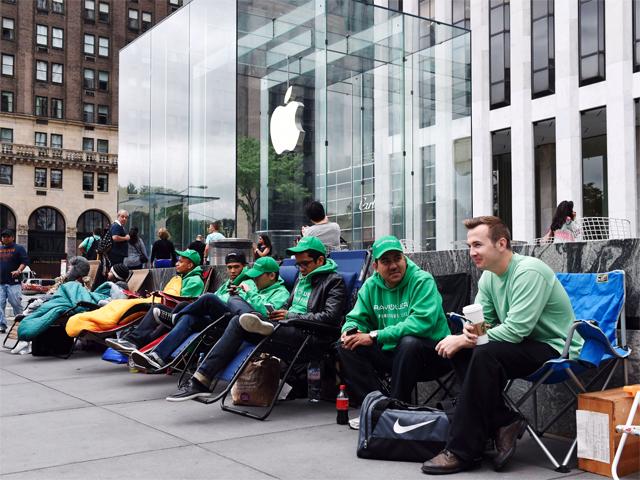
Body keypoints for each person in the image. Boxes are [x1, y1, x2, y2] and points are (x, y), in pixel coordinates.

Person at [421, 216, 584, 475]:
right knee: (466, 352)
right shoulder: (488, 278)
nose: (472, 252)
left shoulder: (529, 271)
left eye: (477, 245)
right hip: (521, 345)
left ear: (501, 243)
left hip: (554, 347)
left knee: (481, 352)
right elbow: (485, 327)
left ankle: (462, 450)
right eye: (469, 246)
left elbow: (517, 330)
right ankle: (504, 420)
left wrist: (465, 338)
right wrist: (469, 331)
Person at [166, 236, 347, 402]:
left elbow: (330, 318)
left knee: (239, 321)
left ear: (320, 260)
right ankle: (201, 380)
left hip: (308, 335)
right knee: (237, 313)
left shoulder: (333, 281)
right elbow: (288, 306)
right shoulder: (302, 278)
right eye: (298, 265)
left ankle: (202, 380)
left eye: (305, 264)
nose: (301, 268)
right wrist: (277, 312)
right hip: (284, 327)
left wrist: (290, 316)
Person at [338, 235, 451, 404]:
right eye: (385, 261)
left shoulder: (422, 280)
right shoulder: (370, 286)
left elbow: (421, 324)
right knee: (346, 346)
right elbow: (356, 318)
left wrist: (374, 335)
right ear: (375, 266)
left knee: (409, 342)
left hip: (433, 355)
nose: (393, 266)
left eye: (397, 258)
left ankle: (398, 408)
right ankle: (379, 405)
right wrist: (350, 330)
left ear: (404, 259)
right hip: (392, 352)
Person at [130, 256, 290, 371]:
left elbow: (266, 313)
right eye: (229, 267)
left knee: (208, 299)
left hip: (243, 324)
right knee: (190, 317)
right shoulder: (249, 284)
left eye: (258, 276)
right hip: (225, 319)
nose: (254, 280)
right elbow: (227, 297)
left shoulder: (281, 293)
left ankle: (174, 318)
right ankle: (158, 357)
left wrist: (247, 294)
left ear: (272, 275)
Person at [94, 250, 203, 351]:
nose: (177, 264)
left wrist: (161, 296)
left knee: (154, 307)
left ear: (190, 265)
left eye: (181, 262)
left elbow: (182, 302)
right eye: (178, 261)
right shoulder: (181, 278)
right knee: (143, 306)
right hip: (169, 306)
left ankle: (131, 341)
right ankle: (129, 339)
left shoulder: (195, 281)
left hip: (178, 313)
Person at [0, 229, 29, 334]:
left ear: (12, 237)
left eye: (7, 236)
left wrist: (18, 270)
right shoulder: (0, 248)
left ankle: (21, 324)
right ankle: (2, 325)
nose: (5, 238)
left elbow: (24, 261)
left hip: (14, 282)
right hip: (1, 282)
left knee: (16, 303)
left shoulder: (19, 248)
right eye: (3, 236)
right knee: (0, 304)